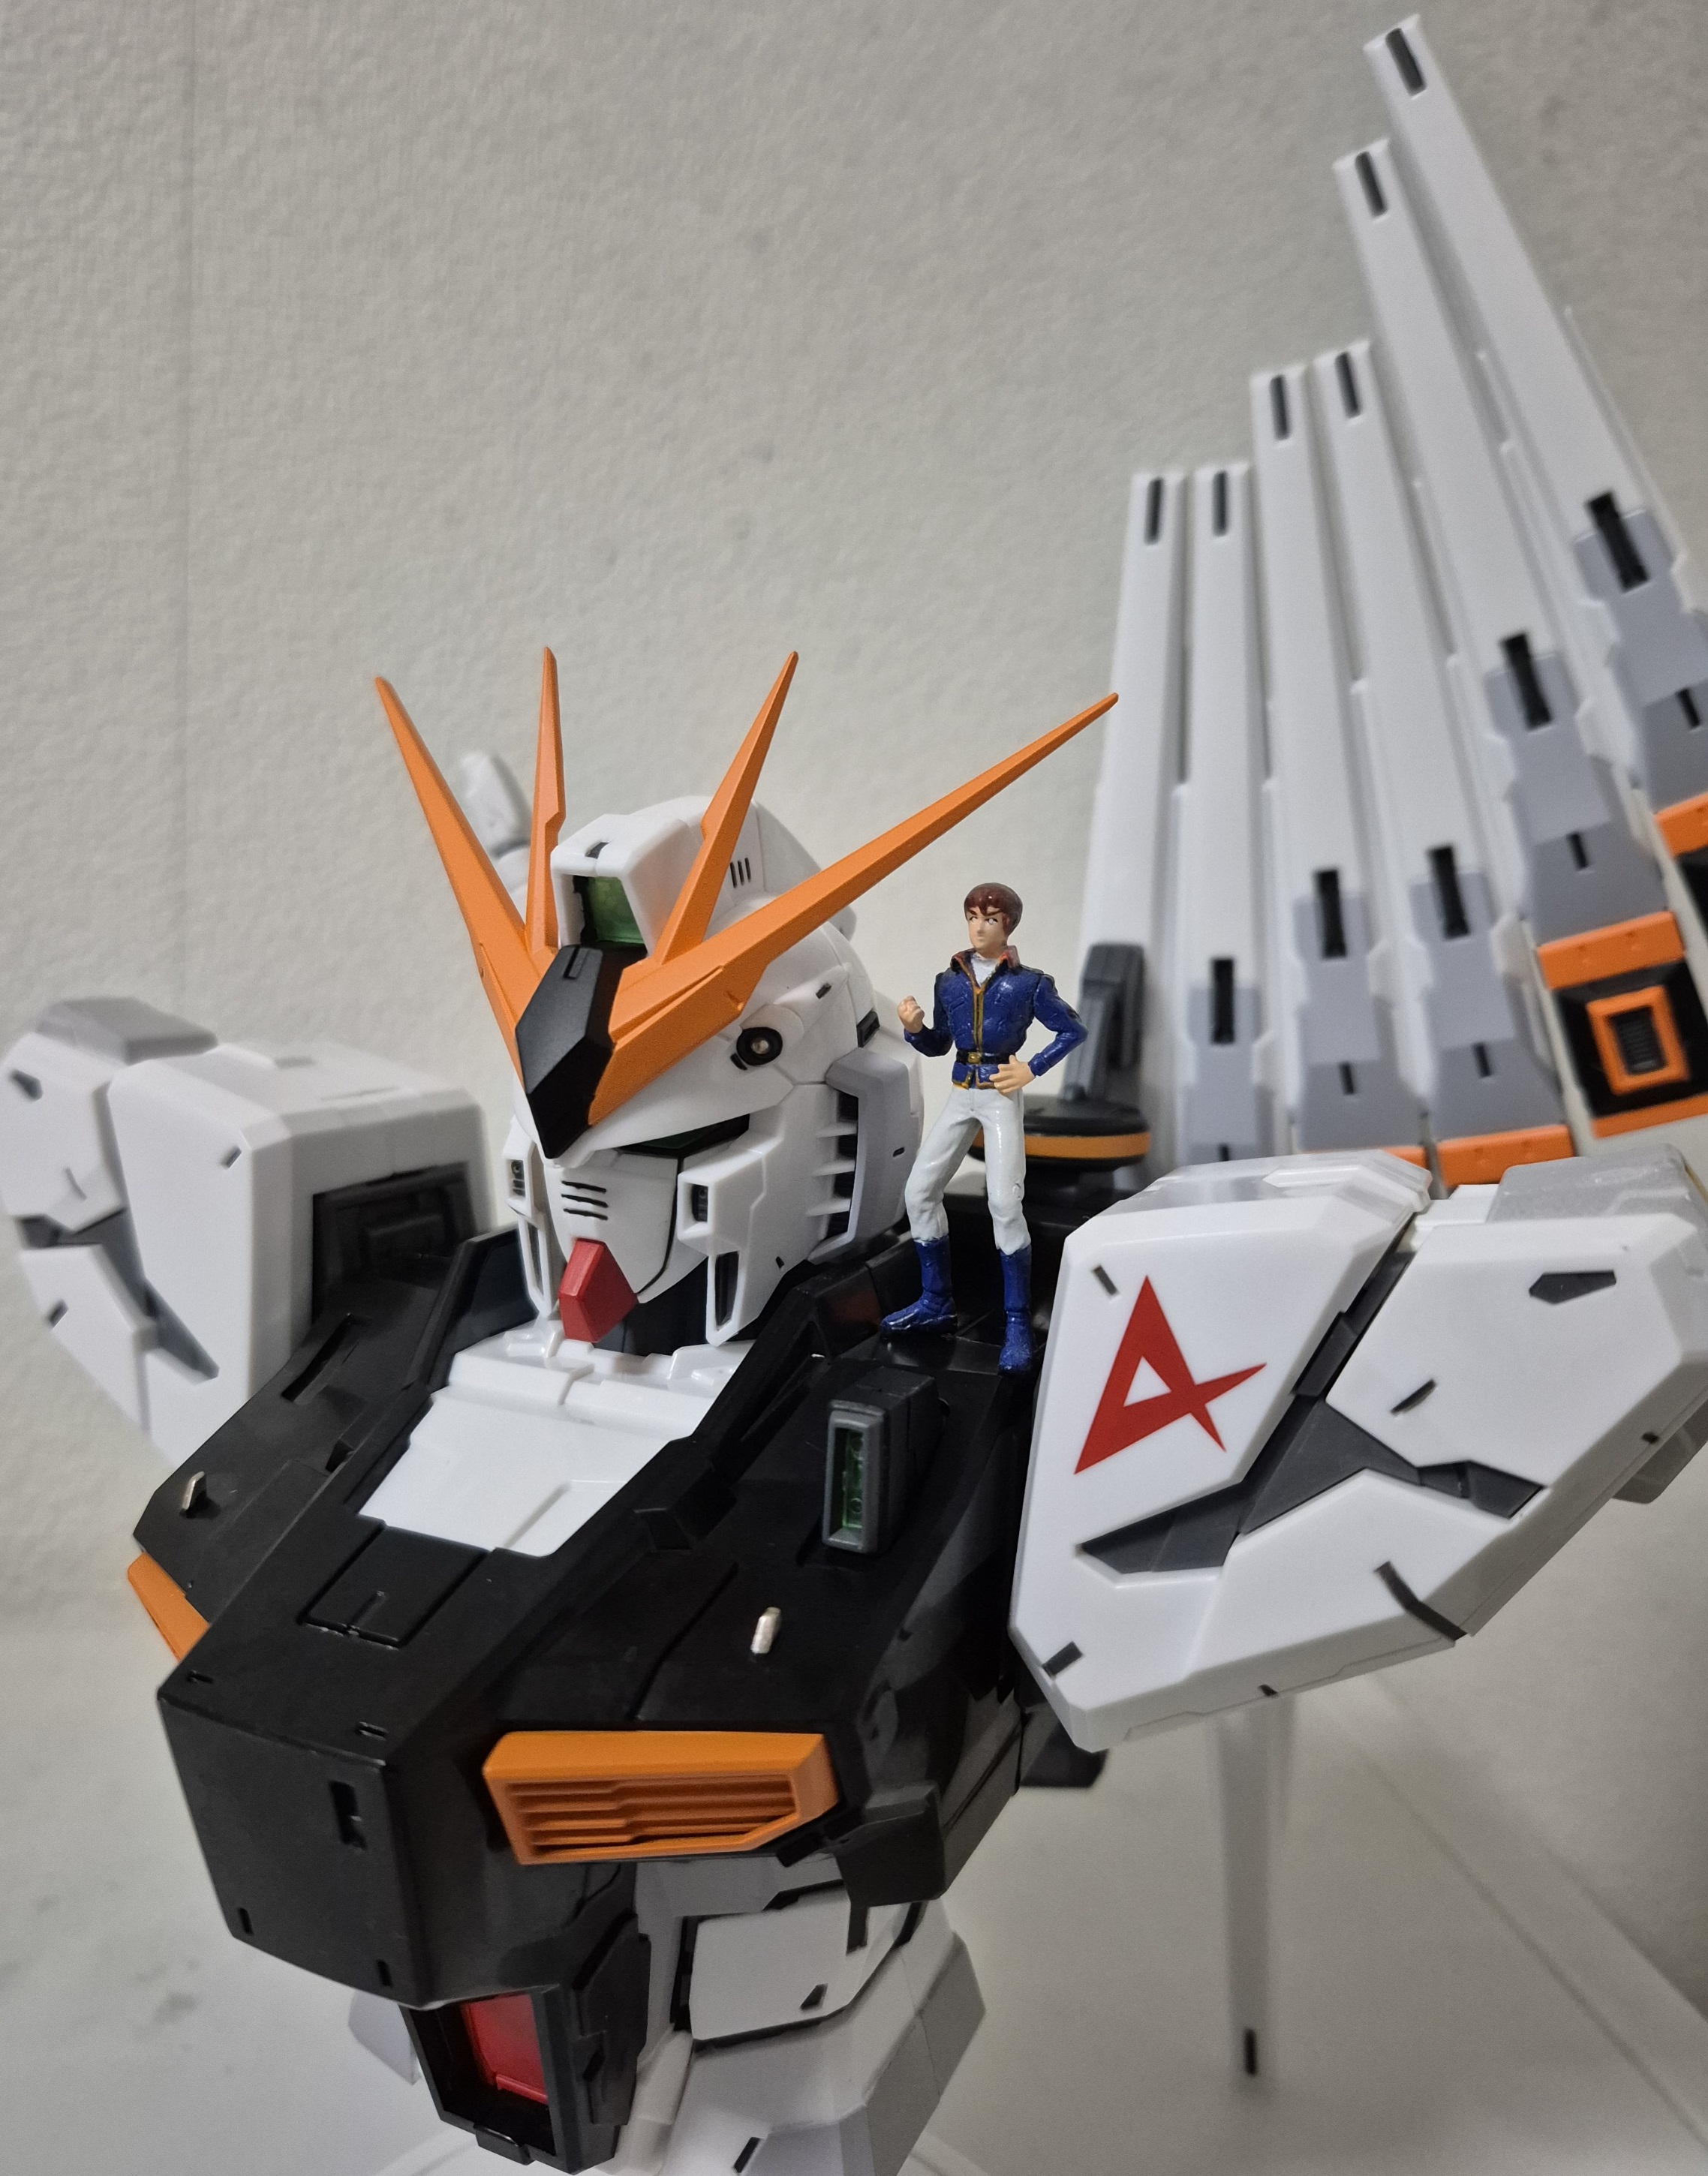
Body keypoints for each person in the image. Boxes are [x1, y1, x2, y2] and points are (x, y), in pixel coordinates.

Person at [882, 882, 1085, 1369]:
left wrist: (1032, 1068)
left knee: (1004, 1203)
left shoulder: (1029, 984)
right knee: (919, 1192)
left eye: (990, 919)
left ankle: (1017, 1322)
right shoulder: (949, 980)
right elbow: (939, 1044)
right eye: (973, 917)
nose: (978, 927)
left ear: (1007, 926)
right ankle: (936, 1302)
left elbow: (1072, 1029)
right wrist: (914, 1029)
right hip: (961, 1093)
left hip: (1000, 1095)